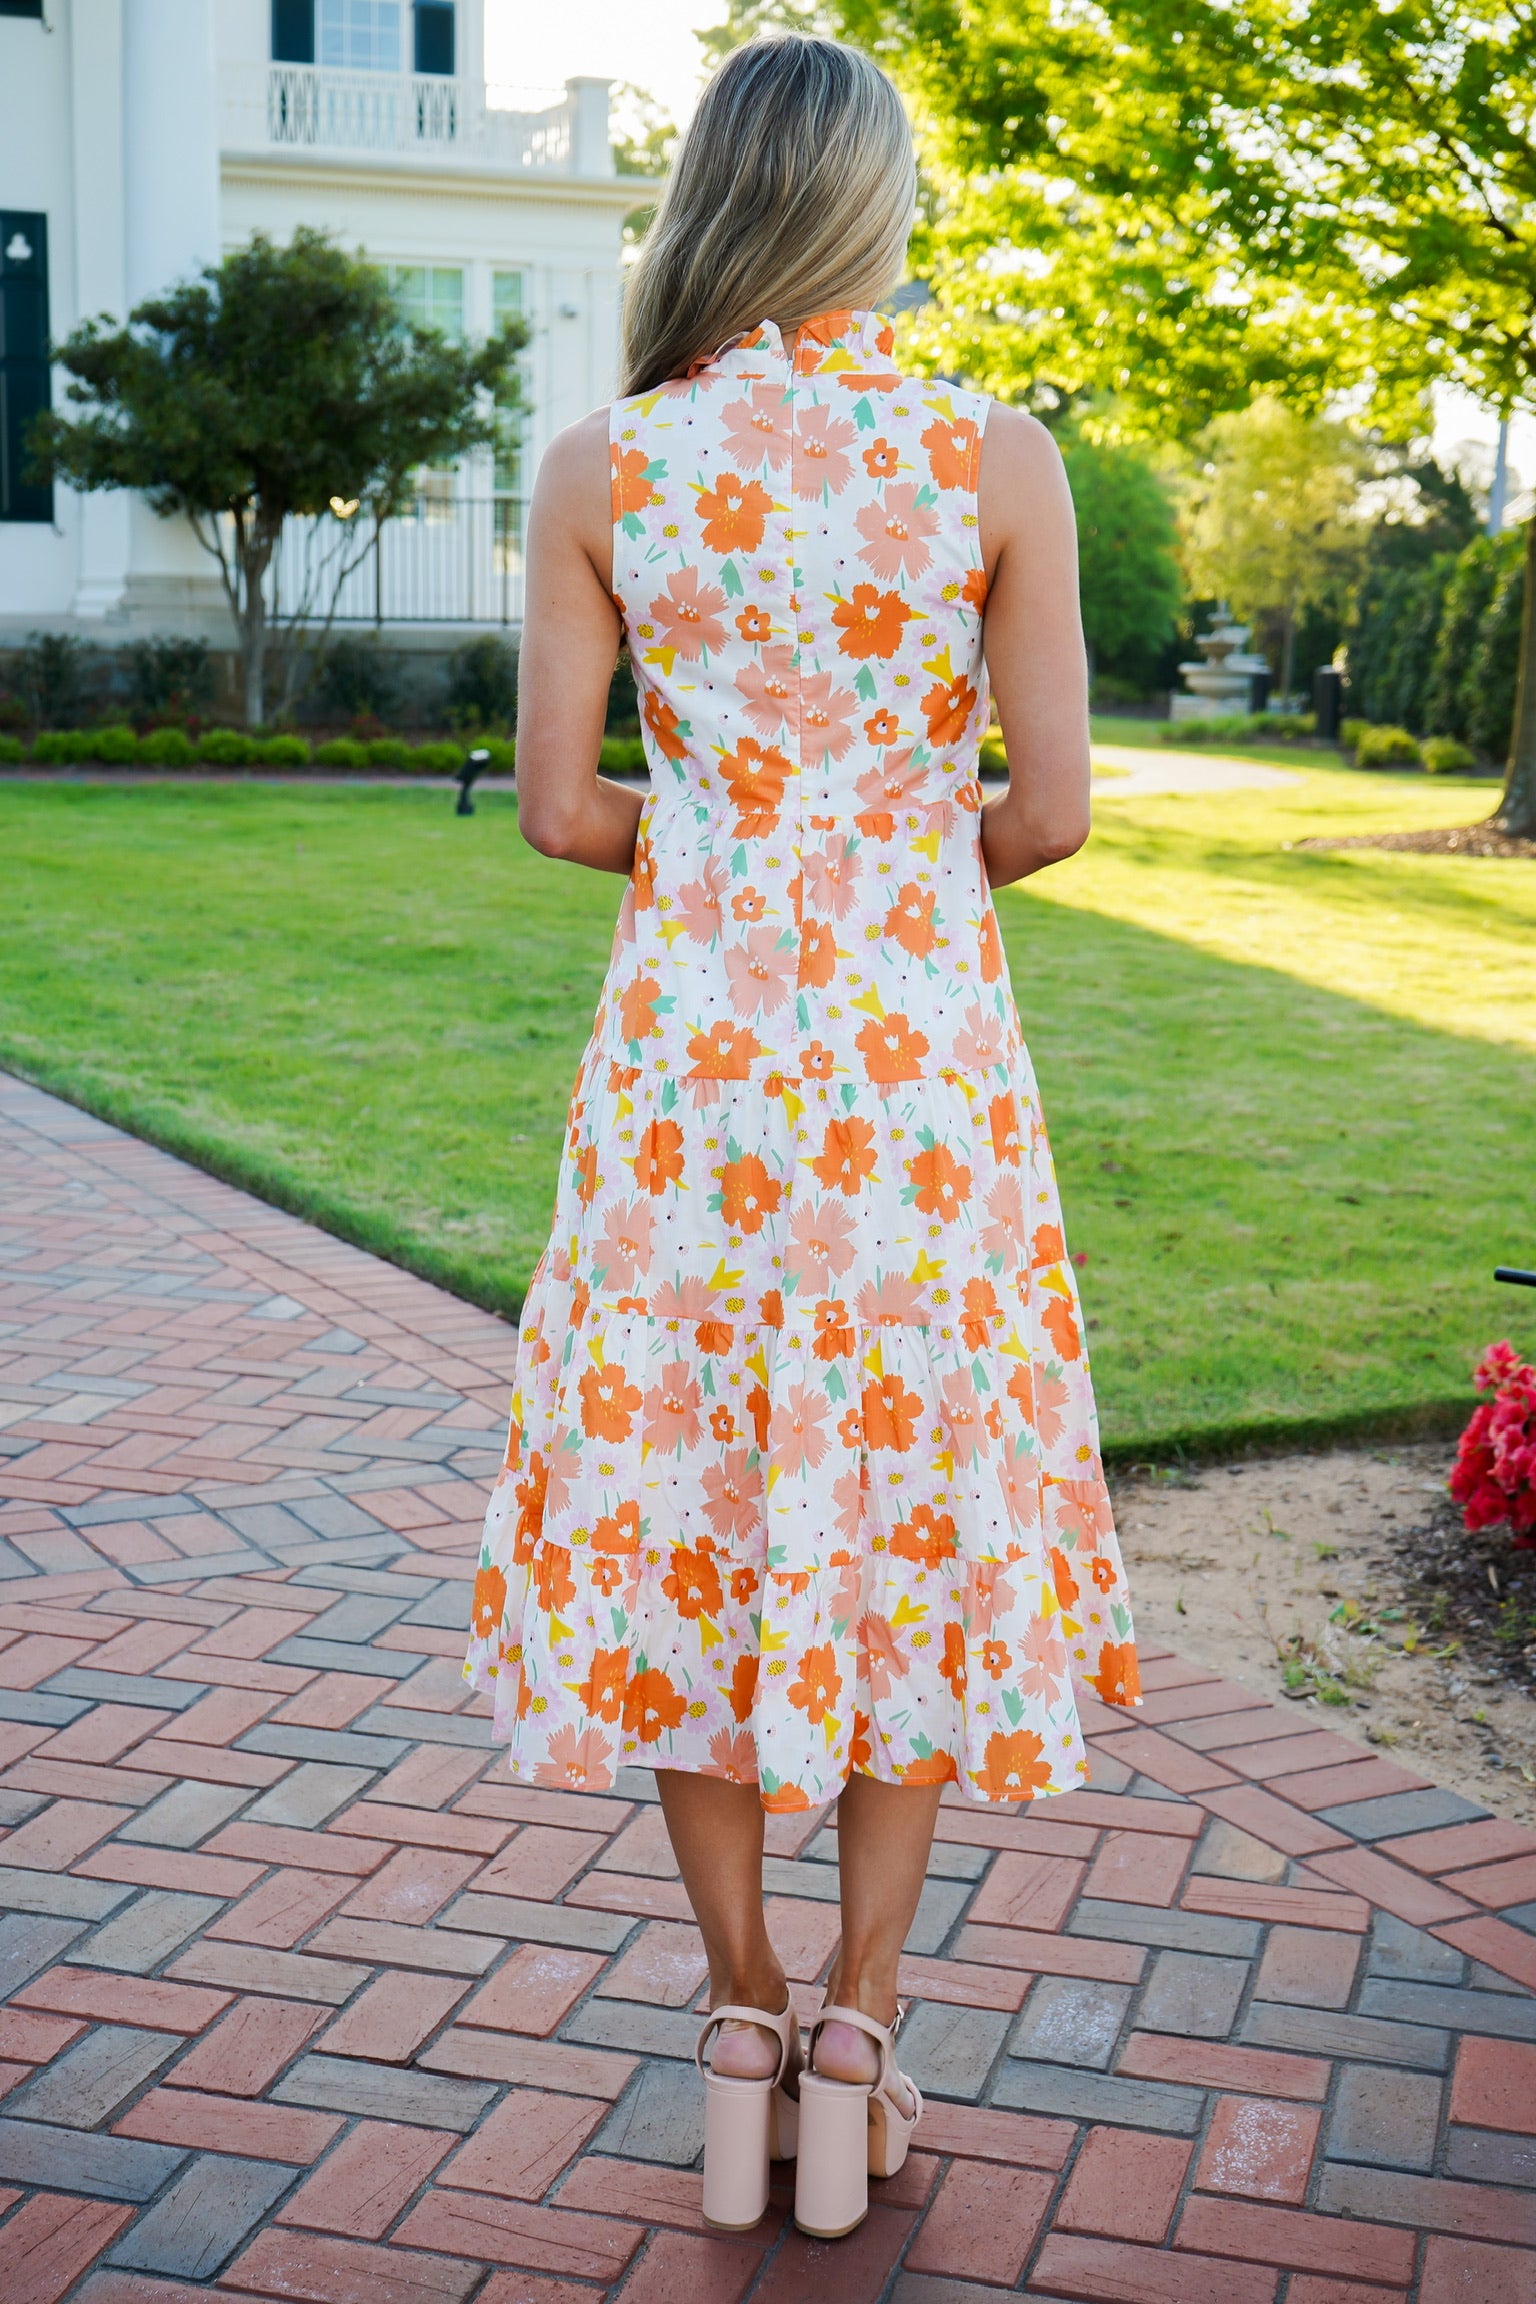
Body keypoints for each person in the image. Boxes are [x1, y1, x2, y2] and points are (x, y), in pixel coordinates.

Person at [464, 31, 1141, 2241]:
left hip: (691, 1083)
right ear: (874, 206)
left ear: (708, 202)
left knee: (691, 1496)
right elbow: (1050, 809)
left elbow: (562, 808)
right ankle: (862, 2018)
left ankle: (740, 2010)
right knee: (901, 1501)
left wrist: (731, 848)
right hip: (915, 1087)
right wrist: (889, 856)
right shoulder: (994, 456)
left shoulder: (604, 468)